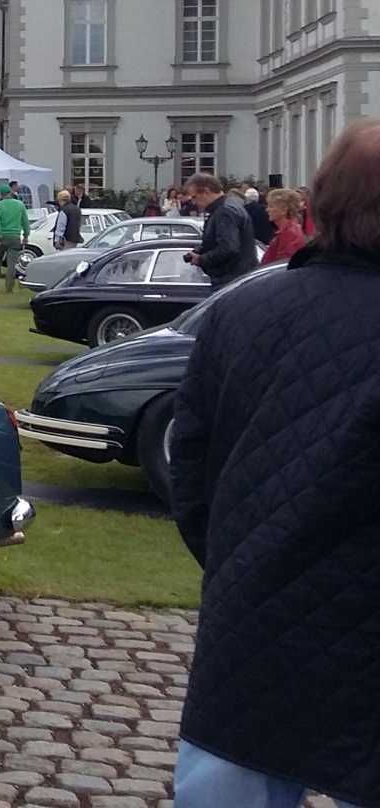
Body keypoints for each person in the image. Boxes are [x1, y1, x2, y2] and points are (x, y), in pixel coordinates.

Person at [168, 121, 380, 808]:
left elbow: (189, 472)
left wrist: (240, 561)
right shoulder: (245, 306)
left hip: (253, 616)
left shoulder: (241, 310)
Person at [184, 172, 256, 287]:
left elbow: (228, 248)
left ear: (206, 192)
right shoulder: (229, 206)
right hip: (237, 278)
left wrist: (201, 259)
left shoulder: (224, 212)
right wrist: (201, 250)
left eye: (194, 197)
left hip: (230, 280)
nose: (193, 202)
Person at [0, 183, 28, 291]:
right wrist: (26, 236)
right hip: (15, 237)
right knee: (12, 263)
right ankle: (9, 287)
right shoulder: (20, 204)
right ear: (10, 192)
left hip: (3, 236)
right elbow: (25, 222)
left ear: (1, 194)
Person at [259, 187, 306, 265]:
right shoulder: (287, 230)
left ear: (284, 210)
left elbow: (282, 264)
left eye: (271, 206)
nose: (267, 209)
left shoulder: (289, 233)